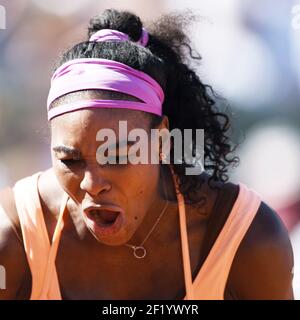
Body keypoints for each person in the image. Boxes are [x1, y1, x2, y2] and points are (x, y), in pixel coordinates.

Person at [0, 9, 294, 300]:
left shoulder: (247, 240)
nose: (91, 183)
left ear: (162, 140)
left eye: (115, 157)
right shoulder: (13, 239)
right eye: (70, 161)